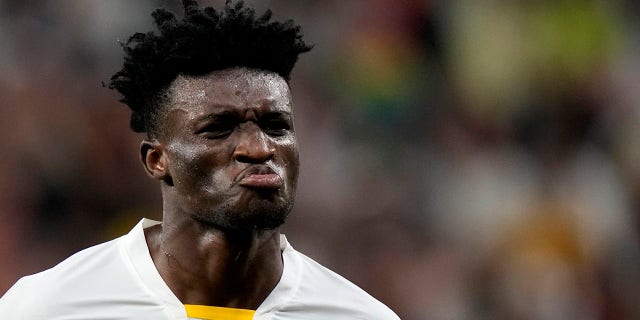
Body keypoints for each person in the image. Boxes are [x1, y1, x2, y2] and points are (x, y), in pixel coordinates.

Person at [0, 0, 400, 319]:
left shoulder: (358, 314)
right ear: (157, 160)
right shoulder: (48, 308)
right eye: (219, 128)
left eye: (276, 125)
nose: (258, 148)